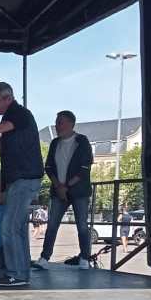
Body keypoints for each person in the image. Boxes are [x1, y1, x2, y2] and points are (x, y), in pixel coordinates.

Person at [0, 81, 43, 287]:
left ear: (8, 98)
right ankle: (22, 271)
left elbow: (4, 126)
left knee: (9, 226)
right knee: (17, 227)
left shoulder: (19, 113)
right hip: (18, 178)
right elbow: (2, 151)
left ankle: (16, 273)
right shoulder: (11, 119)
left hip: (24, 177)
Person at [35, 110, 94, 270]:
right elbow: (48, 167)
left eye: (60, 122)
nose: (57, 126)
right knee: (52, 224)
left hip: (79, 192)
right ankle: (44, 257)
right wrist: (58, 185)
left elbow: (84, 168)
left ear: (71, 124)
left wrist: (66, 186)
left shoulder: (82, 141)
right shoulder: (55, 143)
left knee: (82, 225)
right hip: (58, 190)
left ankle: (84, 258)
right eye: (56, 122)